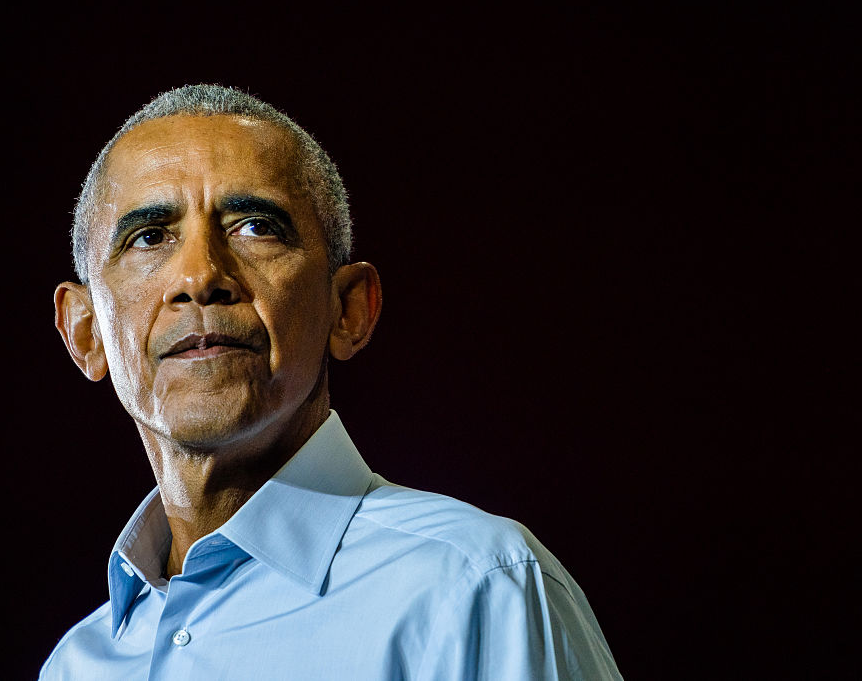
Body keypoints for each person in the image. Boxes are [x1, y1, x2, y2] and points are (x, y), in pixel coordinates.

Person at [42, 84, 622, 680]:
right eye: (149, 237)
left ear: (349, 309)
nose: (199, 276)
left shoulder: (478, 587)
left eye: (255, 227)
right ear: (85, 332)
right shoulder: (74, 666)